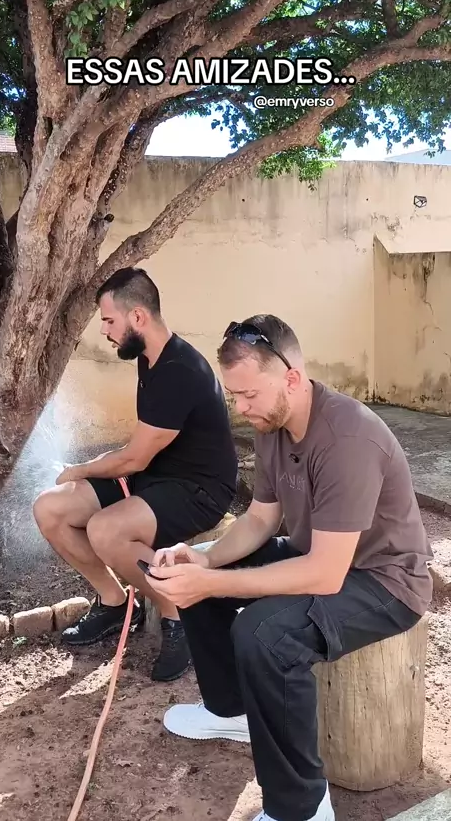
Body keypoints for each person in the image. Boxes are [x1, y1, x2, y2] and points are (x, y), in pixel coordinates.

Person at [145, 314, 433, 821]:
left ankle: (302, 808)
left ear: (292, 379)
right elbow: (260, 519)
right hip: (320, 556)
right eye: (234, 395)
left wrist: (214, 580)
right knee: (194, 570)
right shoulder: (272, 425)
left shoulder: (347, 437)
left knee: (265, 635)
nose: (240, 408)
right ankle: (231, 711)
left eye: (248, 394)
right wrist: (204, 560)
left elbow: (325, 574)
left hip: (385, 581)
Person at [33, 267, 237, 682]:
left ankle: (178, 614)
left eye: (109, 320)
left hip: (199, 489)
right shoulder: (149, 358)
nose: (104, 331)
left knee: (106, 530)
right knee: (49, 509)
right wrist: (82, 475)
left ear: (138, 317)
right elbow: (141, 451)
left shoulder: (180, 371)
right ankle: (114, 602)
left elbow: (132, 460)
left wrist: (78, 469)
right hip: (157, 475)